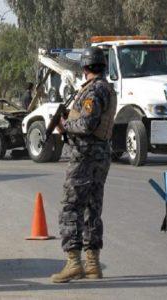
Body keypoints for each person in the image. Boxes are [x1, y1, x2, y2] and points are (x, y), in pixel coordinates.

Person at [51, 47, 117, 283]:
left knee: (71, 207)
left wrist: (65, 126)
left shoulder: (94, 90)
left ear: (85, 67)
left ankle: (73, 263)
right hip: (101, 155)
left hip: (85, 155)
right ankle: (92, 264)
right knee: (92, 207)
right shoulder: (106, 88)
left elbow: (87, 124)